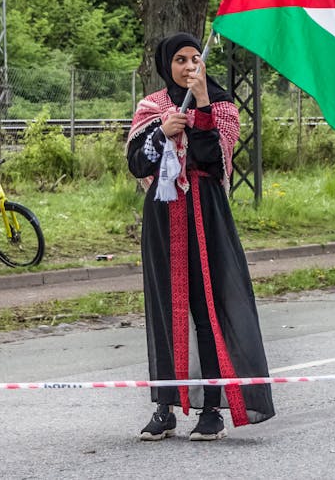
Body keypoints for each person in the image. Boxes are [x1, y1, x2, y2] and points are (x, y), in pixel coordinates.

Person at [126, 32, 275, 442]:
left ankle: (212, 410)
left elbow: (214, 158)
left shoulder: (223, 106)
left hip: (205, 213)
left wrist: (202, 109)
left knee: (207, 306)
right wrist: (162, 133)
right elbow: (138, 164)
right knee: (165, 307)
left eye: (196, 59)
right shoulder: (152, 107)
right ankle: (165, 408)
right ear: (166, 65)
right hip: (162, 215)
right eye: (181, 60)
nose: (190, 66)